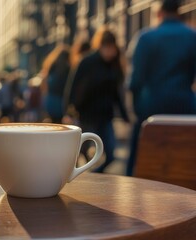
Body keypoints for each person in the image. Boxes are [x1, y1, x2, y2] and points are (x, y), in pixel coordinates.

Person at [127, 0, 196, 176]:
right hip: (184, 105)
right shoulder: (192, 36)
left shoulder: (146, 37)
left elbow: (135, 81)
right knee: (185, 159)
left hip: (151, 107)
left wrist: (138, 110)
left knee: (140, 158)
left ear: (159, 13)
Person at [69, 28, 129, 173]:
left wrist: (125, 115)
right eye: (106, 47)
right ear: (100, 46)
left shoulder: (115, 65)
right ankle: (88, 175)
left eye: (112, 48)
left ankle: (94, 174)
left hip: (106, 116)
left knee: (111, 153)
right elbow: (72, 86)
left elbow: (117, 94)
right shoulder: (87, 62)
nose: (109, 52)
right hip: (87, 114)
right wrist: (69, 109)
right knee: (84, 150)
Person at [41, 45, 71, 123]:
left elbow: (45, 83)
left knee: (53, 122)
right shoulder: (68, 69)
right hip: (60, 101)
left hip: (50, 99)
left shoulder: (51, 66)